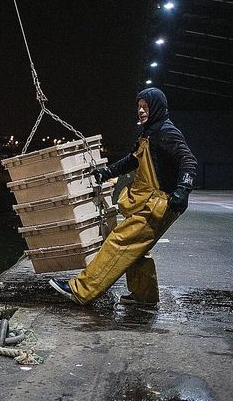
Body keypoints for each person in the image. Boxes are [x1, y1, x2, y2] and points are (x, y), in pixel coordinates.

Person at [49, 87, 197, 306]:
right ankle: (144, 296)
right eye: (139, 106)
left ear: (156, 107)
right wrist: (106, 172)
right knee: (138, 249)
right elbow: (132, 160)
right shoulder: (149, 132)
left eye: (145, 107)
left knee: (119, 241)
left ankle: (80, 290)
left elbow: (188, 160)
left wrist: (183, 189)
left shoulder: (166, 132)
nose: (141, 111)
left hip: (157, 205)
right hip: (146, 201)